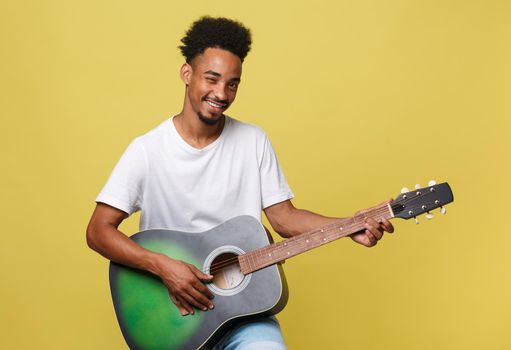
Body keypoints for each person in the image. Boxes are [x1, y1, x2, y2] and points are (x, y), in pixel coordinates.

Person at [86, 16, 394, 350]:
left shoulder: (253, 141)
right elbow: (98, 231)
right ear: (187, 74)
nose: (221, 93)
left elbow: (284, 218)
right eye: (212, 79)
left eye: (232, 83)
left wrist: (350, 226)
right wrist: (164, 266)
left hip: (246, 314)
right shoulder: (147, 151)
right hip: (177, 315)